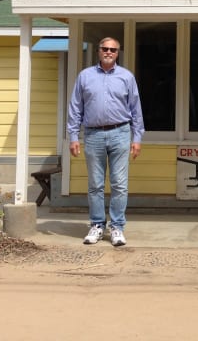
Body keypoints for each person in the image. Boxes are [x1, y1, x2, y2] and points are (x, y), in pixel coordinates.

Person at [67, 37, 144, 246]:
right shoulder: (85, 76)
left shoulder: (126, 77)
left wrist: (137, 138)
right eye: (105, 49)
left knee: (119, 184)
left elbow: (136, 110)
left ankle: (117, 227)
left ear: (118, 53)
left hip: (120, 133)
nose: (108, 52)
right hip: (93, 135)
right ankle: (97, 225)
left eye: (113, 49)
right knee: (95, 185)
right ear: (98, 51)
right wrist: (73, 136)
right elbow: (75, 108)